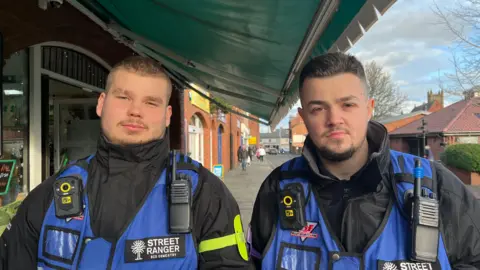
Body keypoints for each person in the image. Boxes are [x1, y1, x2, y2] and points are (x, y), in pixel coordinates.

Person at [0, 56, 250, 269]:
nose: (135, 111)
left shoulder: (204, 194)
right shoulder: (52, 194)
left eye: (151, 102)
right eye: (123, 97)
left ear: (167, 116)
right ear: (101, 104)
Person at [248, 52, 480, 269]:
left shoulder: (436, 185)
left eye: (347, 105)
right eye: (318, 108)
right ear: (303, 117)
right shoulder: (276, 188)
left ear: (369, 109)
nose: (334, 119)